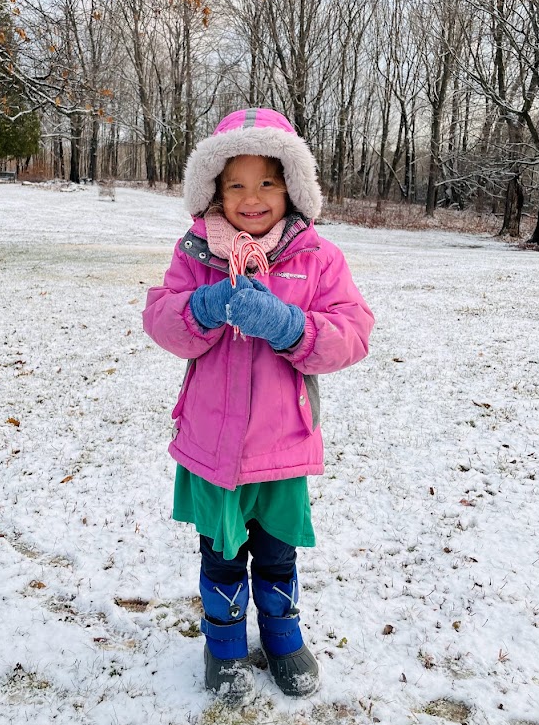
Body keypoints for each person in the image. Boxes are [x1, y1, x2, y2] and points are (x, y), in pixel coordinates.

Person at [142, 107, 374, 703]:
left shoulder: (315, 256)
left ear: (292, 187)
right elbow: (163, 322)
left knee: (276, 553)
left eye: (267, 182)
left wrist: (289, 325)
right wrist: (204, 307)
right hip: (211, 447)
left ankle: (282, 635)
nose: (252, 197)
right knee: (222, 556)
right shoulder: (195, 253)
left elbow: (353, 332)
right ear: (214, 190)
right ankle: (222, 646)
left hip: (283, 446)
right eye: (236, 183)